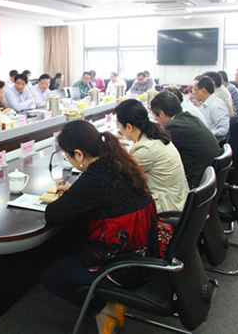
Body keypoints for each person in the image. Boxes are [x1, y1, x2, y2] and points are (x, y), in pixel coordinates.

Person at [41, 120, 157, 334]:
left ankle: (103, 306)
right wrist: (76, 194)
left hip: (124, 267)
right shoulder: (118, 161)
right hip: (145, 251)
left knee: (51, 276)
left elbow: (53, 214)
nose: (69, 161)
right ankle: (107, 298)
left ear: (79, 154)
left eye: (68, 156)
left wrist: (72, 196)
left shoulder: (95, 178)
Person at [115, 99, 189, 214]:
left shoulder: (146, 149)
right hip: (178, 199)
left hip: (167, 208)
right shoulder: (156, 135)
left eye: (119, 126)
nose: (119, 130)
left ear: (129, 127)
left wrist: (114, 150)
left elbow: (121, 176)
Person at [150, 91, 220, 188]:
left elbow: (154, 151)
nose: (155, 119)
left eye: (154, 115)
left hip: (196, 181)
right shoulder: (189, 117)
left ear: (161, 114)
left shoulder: (173, 127)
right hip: (209, 176)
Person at [193, 76, 230, 141]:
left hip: (210, 141)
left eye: (194, 90)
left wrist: (206, 134)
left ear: (203, 90)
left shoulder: (216, 106)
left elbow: (225, 129)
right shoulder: (206, 103)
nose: (193, 93)